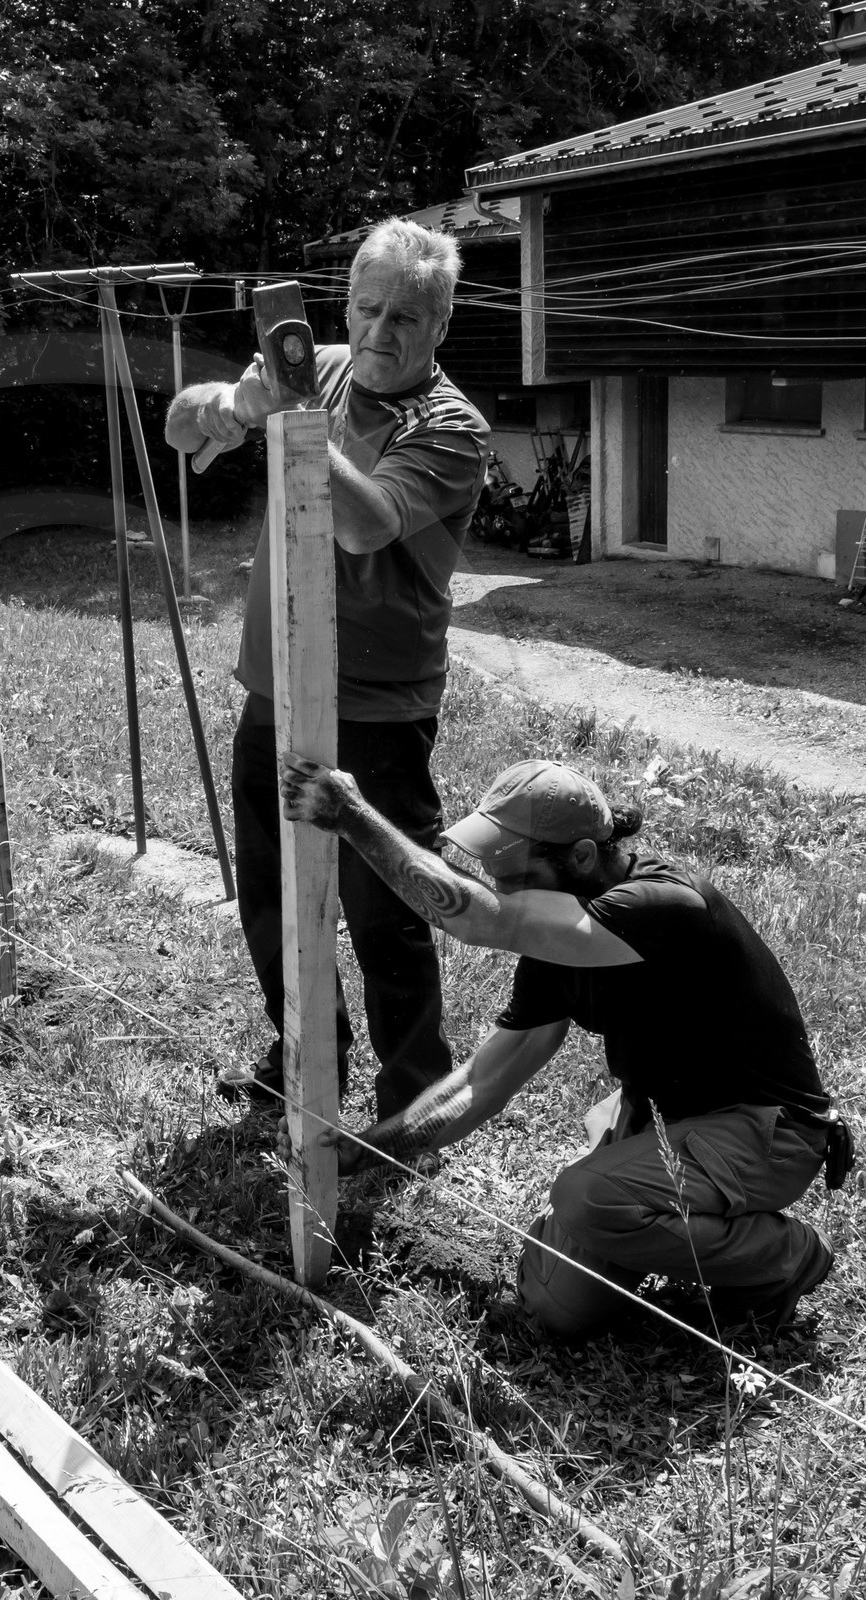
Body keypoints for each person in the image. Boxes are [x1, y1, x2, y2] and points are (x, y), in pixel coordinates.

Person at [275, 754, 850, 1339]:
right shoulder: (558, 951)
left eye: (516, 872)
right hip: (665, 1127)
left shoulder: (665, 906)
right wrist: (359, 1149)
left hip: (768, 1133)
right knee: (557, 1307)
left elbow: (477, 917)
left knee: (586, 1199)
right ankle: (651, 1214)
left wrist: (351, 817)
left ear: (580, 856)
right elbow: (481, 1083)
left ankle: (786, 1254)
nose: (501, 886)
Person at [164, 219, 489, 1120]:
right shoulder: (322, 368)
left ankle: (415, 1096)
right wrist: (229, 408)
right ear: (347, 300)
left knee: (386, 908)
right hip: (275, 687)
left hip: (376, 709)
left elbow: (367, 521)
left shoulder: (453, 427)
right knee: (267, 894)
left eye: (407, 319)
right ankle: (305, 1052)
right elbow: (181, 424)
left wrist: (295, 424)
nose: (381, 333)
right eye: (368, 307)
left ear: (442, 324)